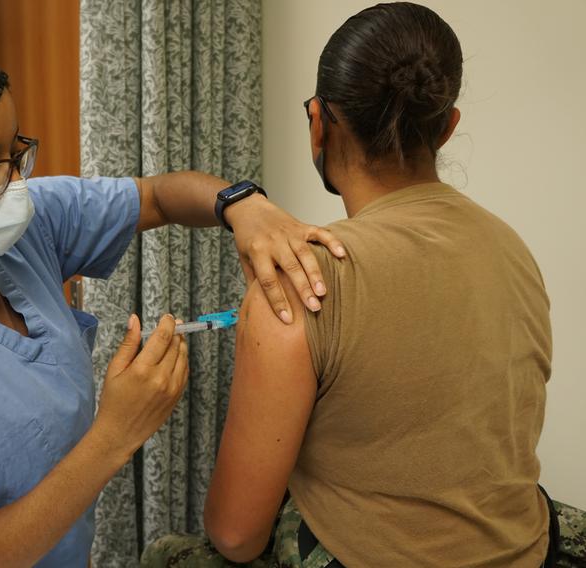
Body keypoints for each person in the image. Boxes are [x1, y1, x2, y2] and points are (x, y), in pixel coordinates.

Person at [0, 27, 344, 567]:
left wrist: (243, 205)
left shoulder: (22, 230)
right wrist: (114, 435)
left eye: (17, 154)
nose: (13, 187)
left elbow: (156, 197)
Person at [143, 3, 555, 567]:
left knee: (167, 554)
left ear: (318, 121)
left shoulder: (299, 278)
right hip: (526, 550)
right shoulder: (514, 249)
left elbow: (237, 535)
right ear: (448, 124)